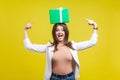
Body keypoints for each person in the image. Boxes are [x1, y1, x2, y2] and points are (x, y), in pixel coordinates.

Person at [23, 19, 98, 80]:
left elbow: (92, 42)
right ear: (54, 33)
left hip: (70, 78)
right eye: (57, 30)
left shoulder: (73, 46)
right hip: (54, 78)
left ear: (66, 32)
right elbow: (29, 46)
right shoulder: (49, 47)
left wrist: (95, 26)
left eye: (62, 30)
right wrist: (25, 30)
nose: (60, 32)